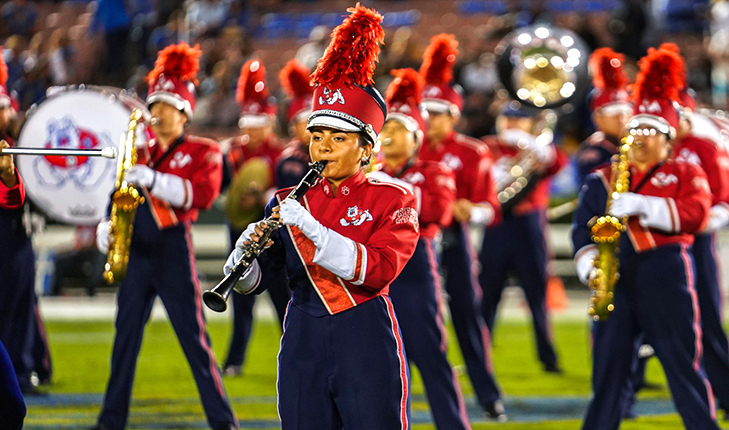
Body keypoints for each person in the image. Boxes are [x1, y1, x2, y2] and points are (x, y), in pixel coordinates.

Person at [225, 6, 418, 428]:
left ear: (366, 148)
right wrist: (241, 263)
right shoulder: (288, 199)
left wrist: (311, 227)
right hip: (301, 338)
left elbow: (378, 271)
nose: (323, 147)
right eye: (316, 136)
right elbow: (260, 281)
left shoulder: (395, 197)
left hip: (363, 335)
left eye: (338, 137)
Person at [572, 46, 720, 430]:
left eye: (650, 130)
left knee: (682, 365)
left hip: (666, 273)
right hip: (616, 276)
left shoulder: (686, 172)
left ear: (668, 139)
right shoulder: (602, 176)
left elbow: (696, 214)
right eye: (636, 128)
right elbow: (581, 227)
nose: (640, 136)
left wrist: (643, 206)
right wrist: (590, 264)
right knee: (609, 373)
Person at [92, 42, 237, 430]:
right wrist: (107, 227)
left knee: (195, 345)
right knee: (123, 345)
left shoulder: (204, 151)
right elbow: (118, 195)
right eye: (153, 106)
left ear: (185, 113)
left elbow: (201, 196)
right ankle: (110, 422)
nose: (155, 113)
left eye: (165, 107)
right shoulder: (136, 151)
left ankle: (224, 423)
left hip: (173, 252)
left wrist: (154, 179)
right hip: (136, 253)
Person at [369, 68, 472, 430]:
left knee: (430, 353)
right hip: (374, 271)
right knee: (383, 361)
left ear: (416, 137)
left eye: (398, 129)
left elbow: (438, 211)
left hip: (414, 267)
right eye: (386, 128)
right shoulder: (368, 174)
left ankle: (454, 425)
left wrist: (386, 185)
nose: (389, 135)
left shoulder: (434, 170)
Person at [417, 33, 505, 419]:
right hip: (414, 246)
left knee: (468, 320)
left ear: (454, 115)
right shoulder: (407, 149)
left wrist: (472, 210)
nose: (429, 119)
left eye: (437, 112)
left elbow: (491, 207)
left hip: (454, 241)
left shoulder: (472, 152)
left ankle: (488, 395)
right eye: (426, 111)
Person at [480, 101, 566, 374]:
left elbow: (557, 163)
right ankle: (479, 357)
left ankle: (548, 357)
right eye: (507, 118)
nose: (512, 124)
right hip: (496, 224)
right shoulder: (489, 146)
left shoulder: (539, 148)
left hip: (530, 224)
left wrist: (531, 144)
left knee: (536, 293)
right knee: (487, 294)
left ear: (531, 123)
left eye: (519, 119)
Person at [220, 59, 286, 377]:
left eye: (258, 121)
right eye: (248, 120)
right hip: (238, 230)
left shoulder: (281, 154)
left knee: (282, 298)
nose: (251, 127)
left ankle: (295, 353)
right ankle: (235, 360)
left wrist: (262, 196)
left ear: (270, 123)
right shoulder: (232, 152)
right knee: (239, 297)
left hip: (273, 235)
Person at [0, 60, 51, 394]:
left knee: (19, 302)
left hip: (13, 232)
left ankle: (23, 369)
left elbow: (21, 197)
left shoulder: (23, 142)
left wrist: (8, 175)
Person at [575, 47, 633, 184]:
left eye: (625, 113)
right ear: (598, 117)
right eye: (613, 114)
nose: (620, 119)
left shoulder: (635, 141)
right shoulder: (595, 150)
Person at [275, 59, 313, 189]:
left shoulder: (334, 151)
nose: (313, 127)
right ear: (294, 127)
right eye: (306, 121)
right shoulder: (291, 161)